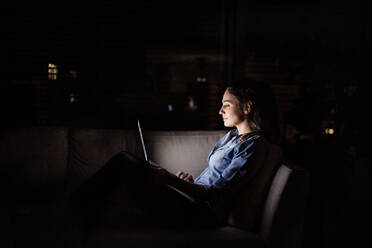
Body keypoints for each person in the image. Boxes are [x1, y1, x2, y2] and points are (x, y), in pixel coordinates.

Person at [70, 78, 280, 231]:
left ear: (247, 107)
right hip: (192, 201)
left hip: (200, 215)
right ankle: (82, 211)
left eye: (226, 104)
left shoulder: (254, 146)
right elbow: (209, 180)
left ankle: (74, 209)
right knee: (132, 167)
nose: (220, 111)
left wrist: (170, 179)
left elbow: (214, 193)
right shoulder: (232, 137)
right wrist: (187, 183)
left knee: (126, 162)